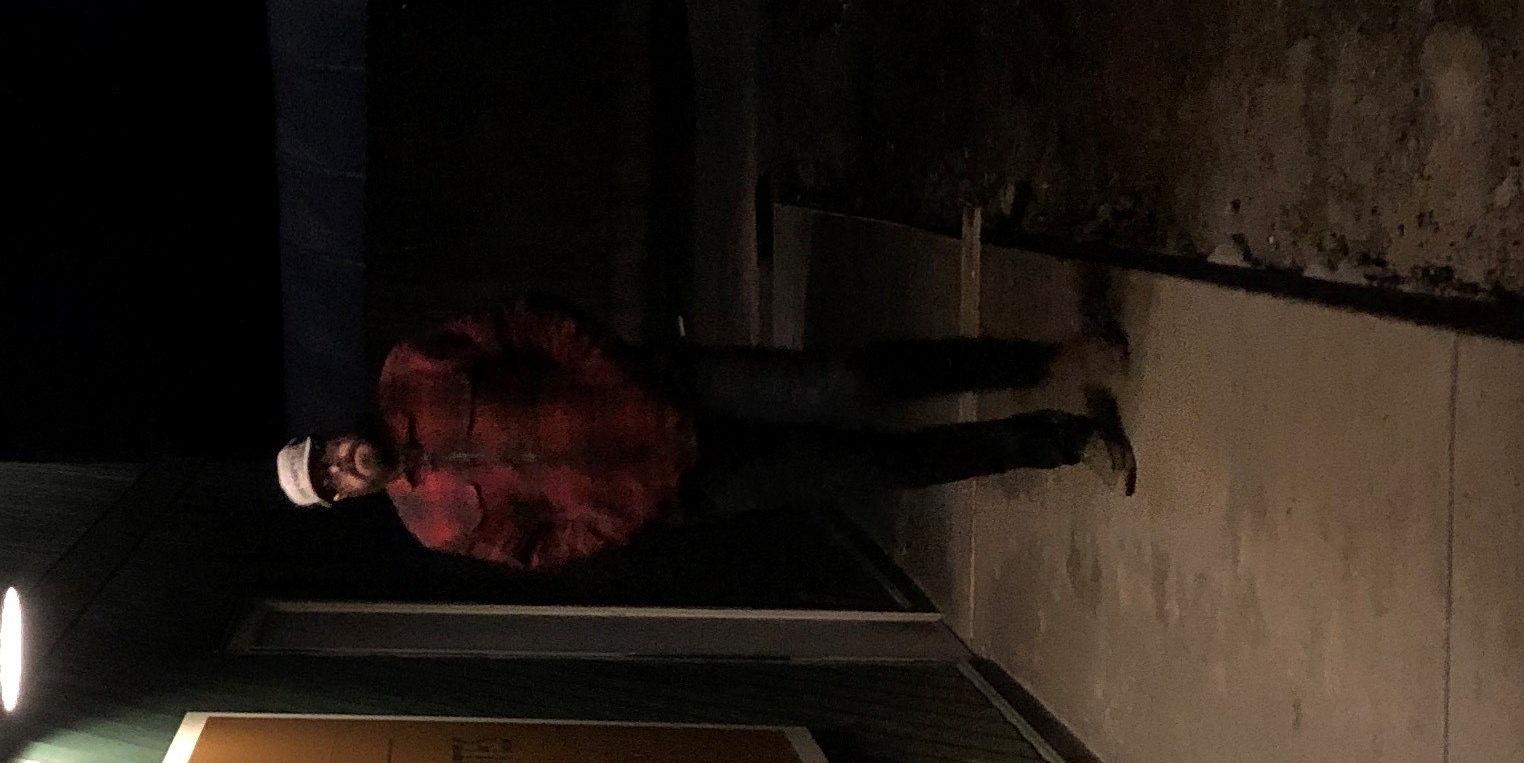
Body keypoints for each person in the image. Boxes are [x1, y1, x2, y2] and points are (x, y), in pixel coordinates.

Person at [273, 297, 1132, 572]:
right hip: (694, 486)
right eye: (334, 483)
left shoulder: (409, 373)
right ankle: (1058, 438)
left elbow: (527, 325)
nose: (344, 467)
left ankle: (1038, 359)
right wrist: (632, 511)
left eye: (330, 454)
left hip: (673, 385)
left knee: (851, 382)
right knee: (883, 466)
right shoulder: (433, 526)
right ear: (346, 500)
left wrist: (617, 371)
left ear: (334, 434)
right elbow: (546, 547)